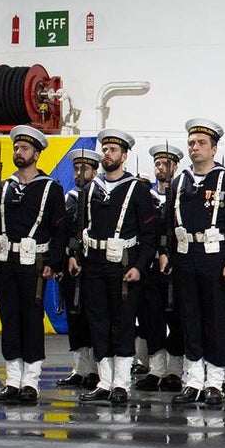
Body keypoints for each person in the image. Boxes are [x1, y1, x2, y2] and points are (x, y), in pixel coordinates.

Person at [160, 118, 225, 407]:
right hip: (186, 257)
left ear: (214, 148)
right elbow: (167, 222)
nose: (194, 148)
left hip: (215, 257)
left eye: (200, 144)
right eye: (191, 143)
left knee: (216, 319)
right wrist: (167, 253)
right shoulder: (180, 180)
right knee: (190, 319)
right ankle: (194, 380)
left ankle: (214, 381)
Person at [70, 129, 159, 404]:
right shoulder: (90, 190)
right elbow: (78, 226)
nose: (107, 154)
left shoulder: (138, 190)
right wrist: (74, 255)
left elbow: (149, 235)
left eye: (113, 150)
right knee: (97, 322)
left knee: (122, 324)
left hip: (123, 267)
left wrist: (141, 267)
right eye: (105, 149)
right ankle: (104, 382)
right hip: (93, 265)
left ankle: (121, 383)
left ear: (124, 156)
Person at [0, 125, 67, 404]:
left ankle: (30, 382)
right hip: (6, 264)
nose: (19, 153)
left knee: (31, 321)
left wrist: (53, 264)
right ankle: (12, 381)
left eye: (25, 149)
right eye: (16, 148)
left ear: (37, 153)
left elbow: (59, 230)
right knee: (9, 321)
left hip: (34, 265)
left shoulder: (50, 189)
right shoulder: (4, 187)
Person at [135, 143, 186, 393]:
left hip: (178, 265)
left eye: (166, 164)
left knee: (176, 317)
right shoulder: (146, 196)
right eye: (157, 163)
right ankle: (156, 368)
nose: (161, 168)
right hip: (152, 265)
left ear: (175, 167)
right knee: (151, 317)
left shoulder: (182, 194)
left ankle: (175, 369)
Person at [56, 146, 101, 390]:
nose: (78, 172)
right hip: (72, 267)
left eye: (84, 168)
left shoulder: (98, 198)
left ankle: (95, 369)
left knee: (94, 317)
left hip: (93, 266)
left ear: (94, 172)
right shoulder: (69, 199)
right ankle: (80, 368)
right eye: (75, 168)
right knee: (75, 318)